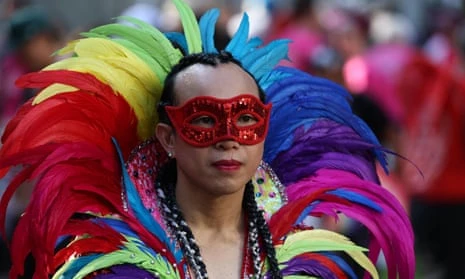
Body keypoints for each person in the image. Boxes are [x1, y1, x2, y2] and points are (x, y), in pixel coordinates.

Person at [0, 0, 414, 278]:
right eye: (203, 120)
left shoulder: (304, 257)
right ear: (168, 138)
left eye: (246, 118)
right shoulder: (114, 259)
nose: (229, 138)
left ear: (264, 132)